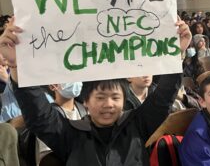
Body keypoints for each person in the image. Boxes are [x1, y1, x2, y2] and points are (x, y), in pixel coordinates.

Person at [0, 17, 192, 166]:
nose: (108, 104)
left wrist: (177, 54)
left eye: (115, 97)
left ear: (123, 100)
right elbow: (38, 113)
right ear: (86, 102)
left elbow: (164, 98)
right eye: (100, 97)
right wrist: (17, 65)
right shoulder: (70, 134)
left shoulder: (137, 126)